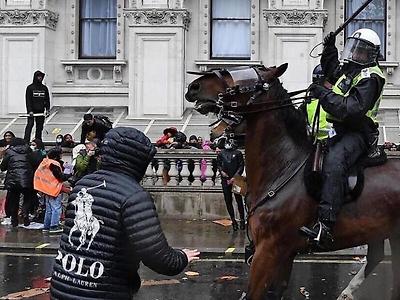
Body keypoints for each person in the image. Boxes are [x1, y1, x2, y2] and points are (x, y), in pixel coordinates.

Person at [50, 127, 199, 299]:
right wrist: (181, 258)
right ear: (139, 160)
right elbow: (159, 258)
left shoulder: (84, 184)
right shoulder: (134, 196)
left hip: (62, 289)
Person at [303, 28, 386, 248]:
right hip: (340, 130)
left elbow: (352, 109)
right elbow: (332, 69)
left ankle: (326, 225)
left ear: (371, 54)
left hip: (358, 132)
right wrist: (329, 47)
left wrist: (323, 94)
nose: (355, 53)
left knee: (334, 162)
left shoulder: (371, 77)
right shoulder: (351, 71)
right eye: (354, 48)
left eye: (361, 51)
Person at [34, 147, 70, 234]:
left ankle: (46, 226)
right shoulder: (54, 164)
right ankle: (54, 226)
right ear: (56, 156)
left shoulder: (45, 162)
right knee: (56, 208)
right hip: (54, 188)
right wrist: (69, 174)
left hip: (46, 188)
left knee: (49, 209)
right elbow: (60, 177)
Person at [0, 138, 34, 227]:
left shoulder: (10, 152)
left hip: (13, 180)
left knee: (14, 200)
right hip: (26, 178)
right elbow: (34, 164)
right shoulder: (29, 151)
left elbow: (3, 167)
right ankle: (25, 213)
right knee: (27, 197)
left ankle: (14, 220)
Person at [216, 139, 245, 231]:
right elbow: (219, 164)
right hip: (225, 179)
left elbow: (241, 165)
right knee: (228, 200)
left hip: (235, 180)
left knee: (238, 199)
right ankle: (233, 220)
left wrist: (235, 176)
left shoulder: (238, 153)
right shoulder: (221, 154)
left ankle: (242, 220)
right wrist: (222, 172)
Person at [23, 70, 50, 142]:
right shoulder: (30, 88)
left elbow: (47, 99)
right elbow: (28, 100)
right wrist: (30, 111)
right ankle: (26, 141)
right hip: (32, 110)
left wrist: (47, 109)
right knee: (30, 125)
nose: (40, 78)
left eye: (41, 77)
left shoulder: (44, 88)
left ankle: (38, 141)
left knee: (39, 127)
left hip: (41, 110)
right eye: (38, 76)